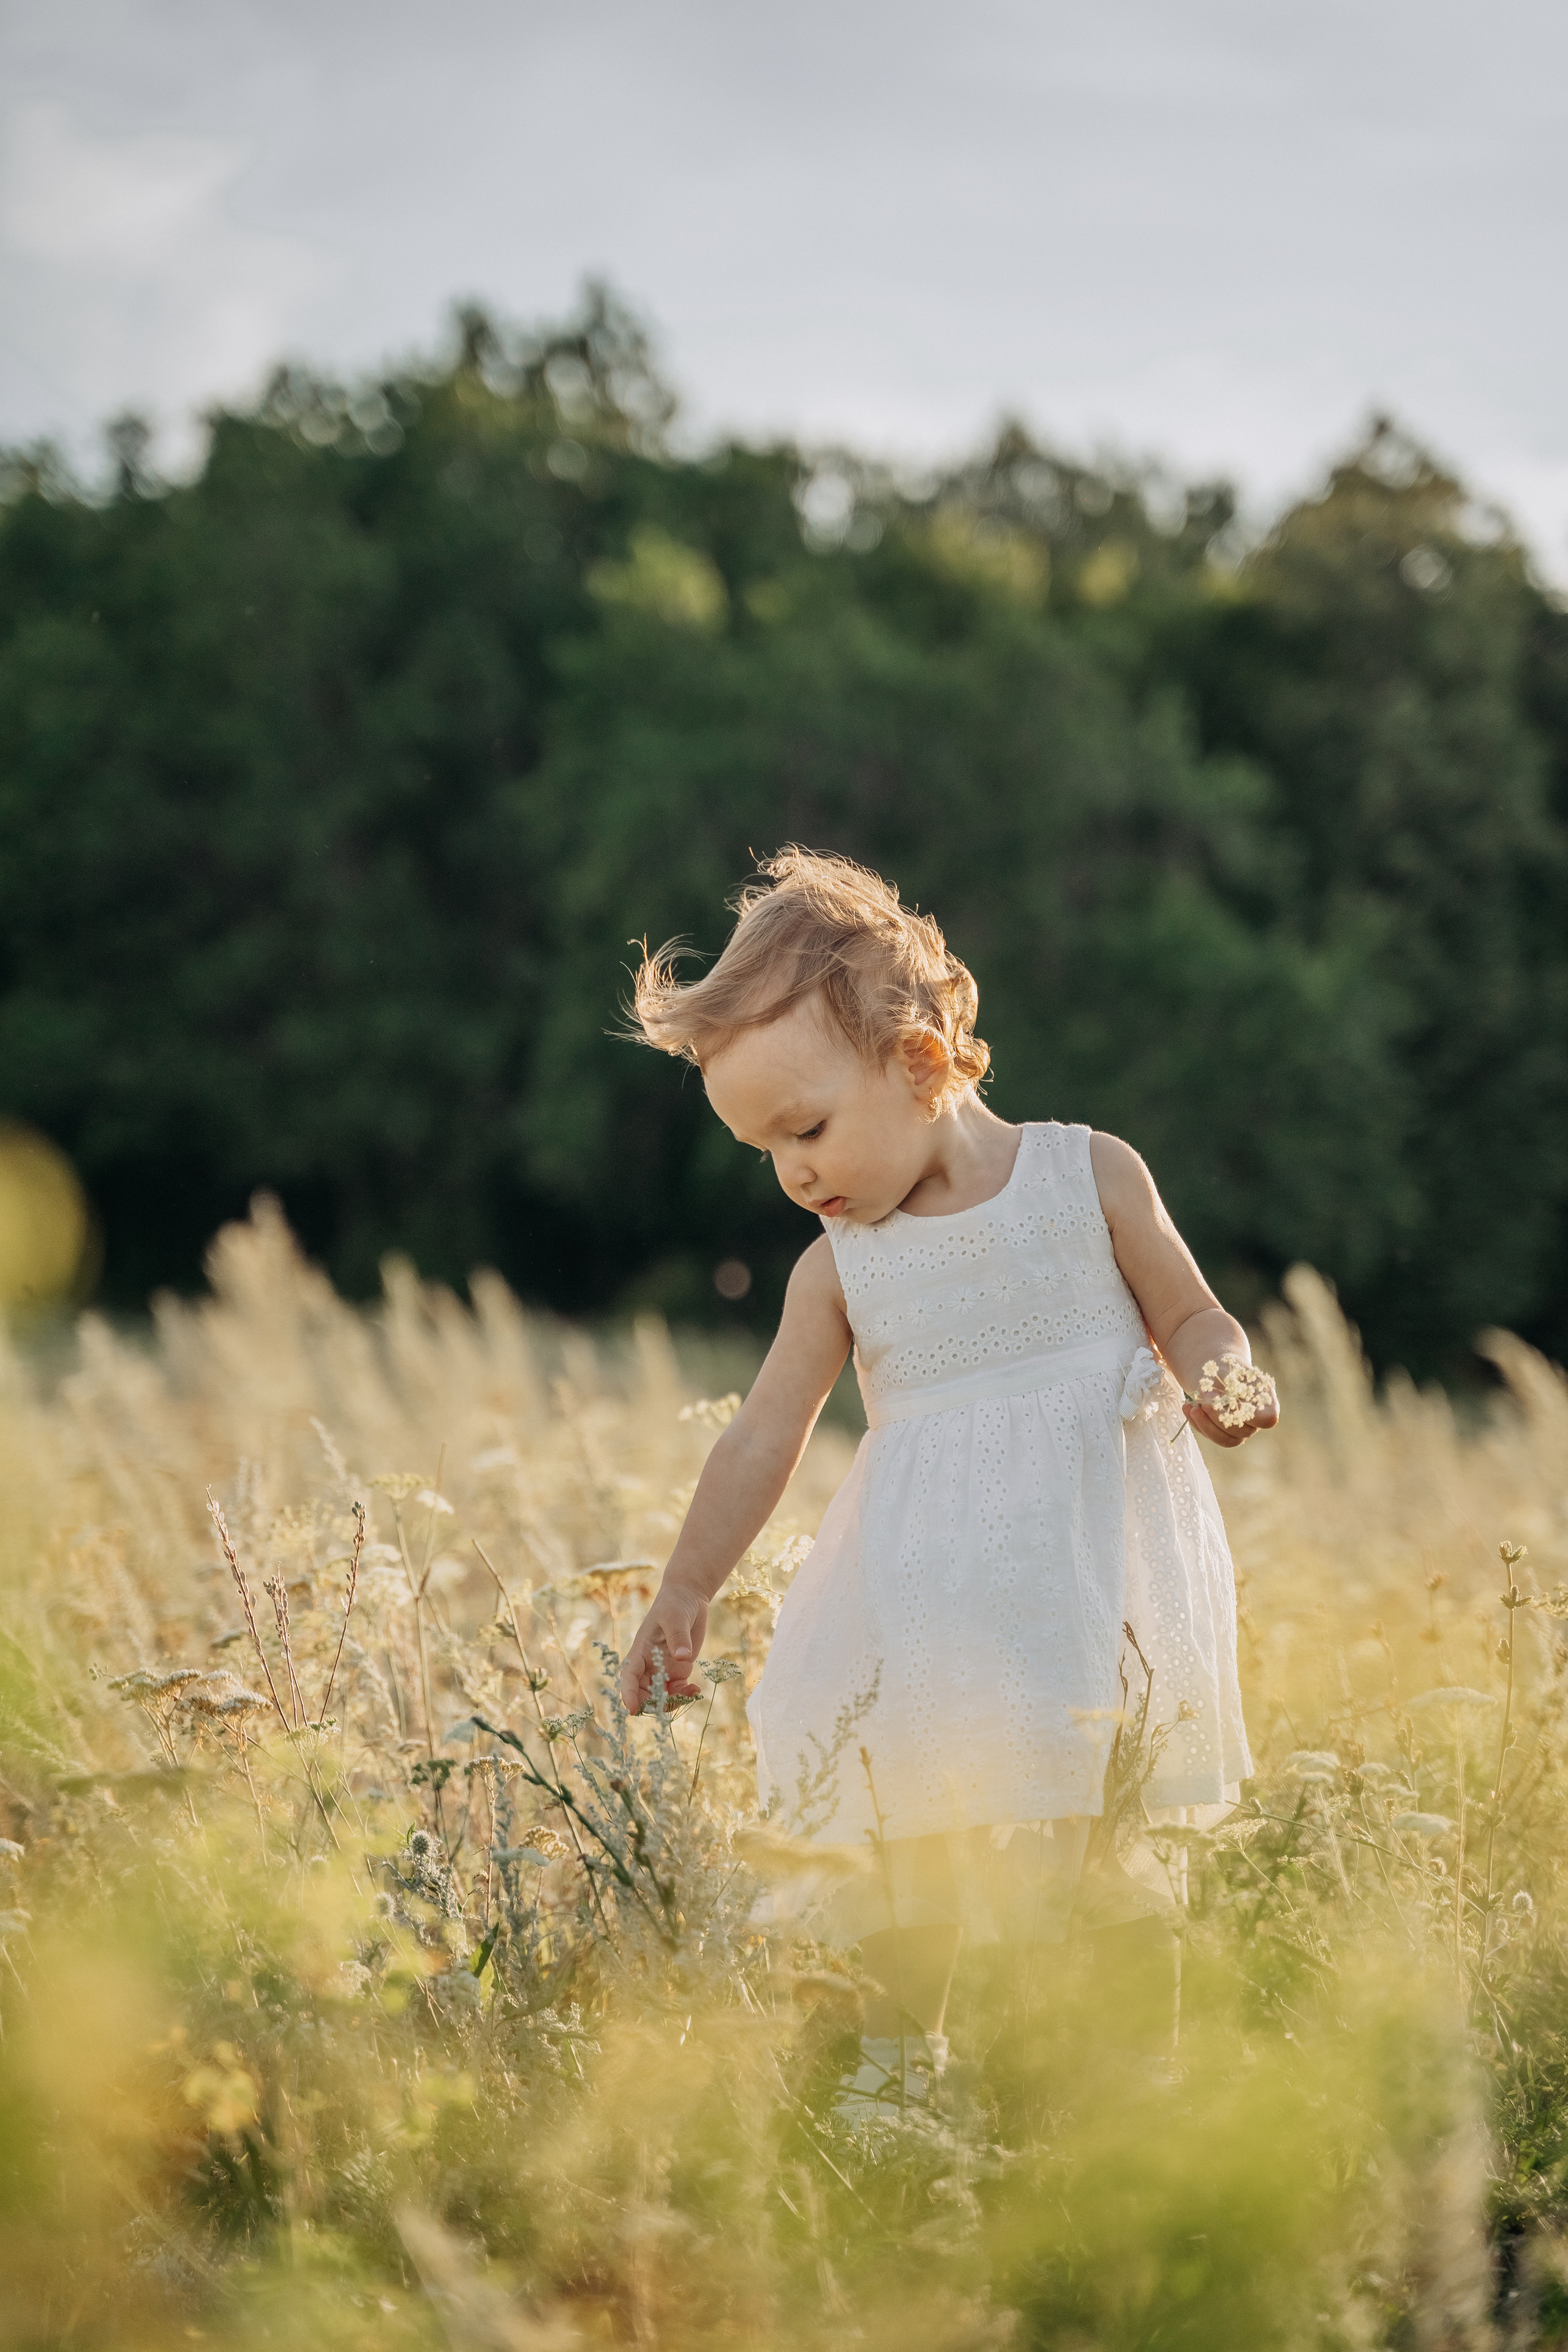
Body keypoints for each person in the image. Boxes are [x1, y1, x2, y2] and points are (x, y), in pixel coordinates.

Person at [619, 849, 1275, 2108]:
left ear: (919, 1063)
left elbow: (1192, 1319)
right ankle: (882, 2094)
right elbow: (761, 1436)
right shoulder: (839, 1270)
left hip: (1098, 1601)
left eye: (802, 1130)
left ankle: (1137, 2098)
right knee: (911, 1854)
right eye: (762, 1151)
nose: (793, 1177)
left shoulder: (1088, 1179)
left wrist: (1223, 1379)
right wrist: (684, 1588)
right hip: (930, 1619)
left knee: (1109, 1850)